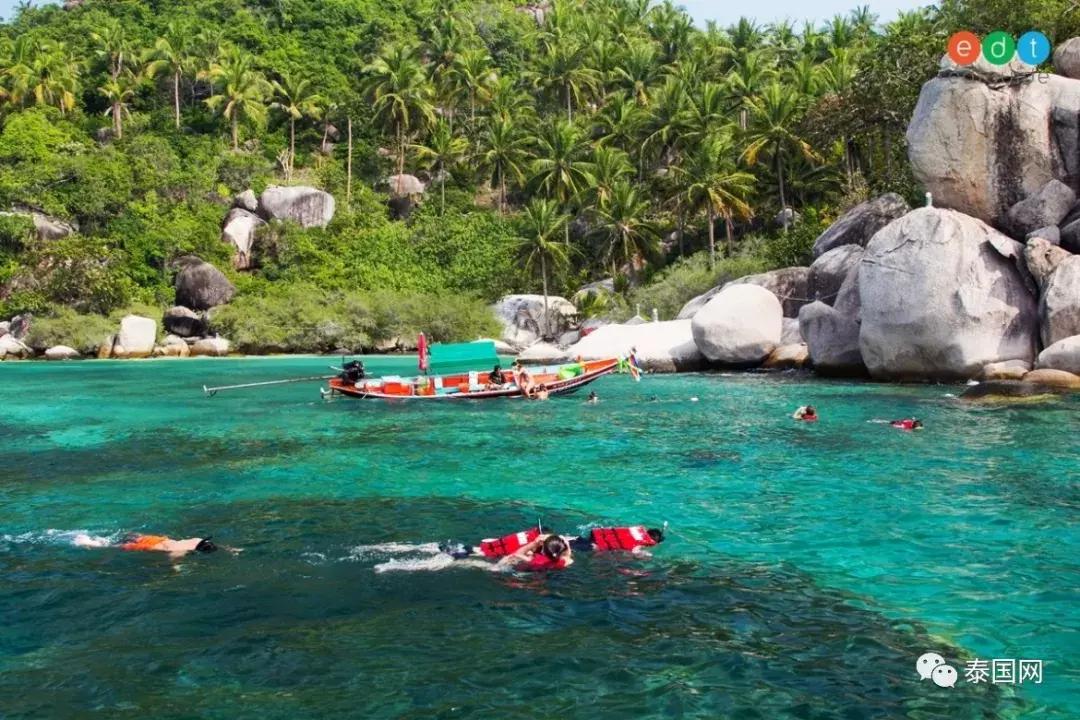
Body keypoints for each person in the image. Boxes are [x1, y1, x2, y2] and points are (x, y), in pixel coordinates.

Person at [568, 525, 664, 554]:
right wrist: (645, 554)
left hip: (590, 537)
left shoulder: (633, 531)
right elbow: (635, 551)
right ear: (654, 542)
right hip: (593, 547)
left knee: (566, 541)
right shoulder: (641, 544)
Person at [500, 533, 573, 571]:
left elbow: (517, 554)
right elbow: (568, 557)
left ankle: (494, 568)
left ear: (543, 549)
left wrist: (534, 543)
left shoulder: (534, 560)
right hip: (543, 573)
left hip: (522, 573)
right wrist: (567, 545)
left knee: (509, 558)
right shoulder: (562, 562)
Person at [118, 533, 218, 557]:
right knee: (119, 546)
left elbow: (210, 543)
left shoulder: (198, 540)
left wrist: (231, 549)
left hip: (160, 540)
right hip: (151, 547)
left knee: (137, 536)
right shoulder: (181, 551)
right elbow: (173, 559)